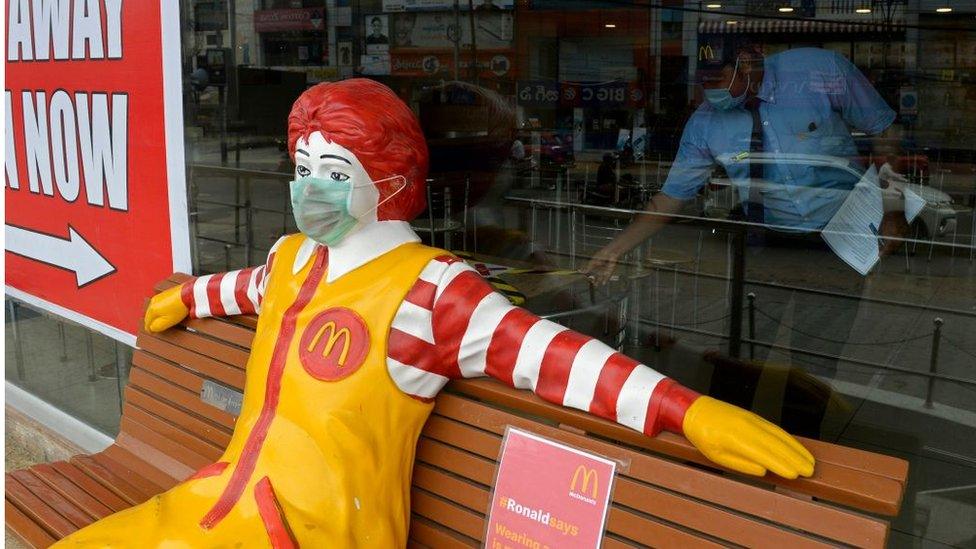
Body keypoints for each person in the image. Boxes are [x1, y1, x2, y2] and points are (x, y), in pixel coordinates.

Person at [57, 79, 812, 547]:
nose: (307, 189)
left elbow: (552, 356)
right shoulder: (295, 259)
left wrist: (688, 411)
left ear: (387, 183)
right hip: (221, 498)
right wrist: (189, 295)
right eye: (301, 170)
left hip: (314, 535)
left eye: (332, 172)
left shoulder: (430, 290)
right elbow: (247, 286)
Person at [584, 42, 907, 436]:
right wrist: (614, 249)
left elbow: (884, 131)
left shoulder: (820, 72)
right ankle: (734, 445)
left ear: (749, 64)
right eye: (702, 82)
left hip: (838, 241)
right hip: (765, 245)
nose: (709, 92)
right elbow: (670, 197)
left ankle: (802, 448)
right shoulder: (706, 123)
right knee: (744, 355)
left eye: (717, 79)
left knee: (817, 359)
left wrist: (892, 212)